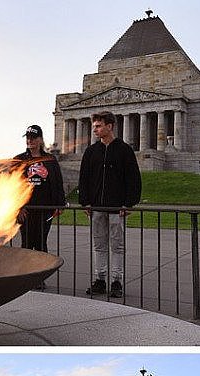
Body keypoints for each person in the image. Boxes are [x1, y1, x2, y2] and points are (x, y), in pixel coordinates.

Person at [79, 110, 142, 299]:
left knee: (117, 246)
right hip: (97, 206)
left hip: (116, 207)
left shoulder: (124, 150)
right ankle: (100, 279)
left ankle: (116, 281)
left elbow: (133, 179)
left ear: (110, 126)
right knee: (99, 245)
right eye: (94, 126)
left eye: (98, 126)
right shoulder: (91, 151)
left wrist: (128, 203)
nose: (95, 130)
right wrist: (86, 202)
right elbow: (84, 178)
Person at [13, 125, 66, 254]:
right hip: (26, 209)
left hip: (45, 209)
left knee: (41, 243)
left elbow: (58, 182)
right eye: (28, 138)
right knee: (26, 243)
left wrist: (60, 204)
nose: (30, 141)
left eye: (33, 138)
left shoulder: (50, 159)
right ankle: (26, 272)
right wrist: (17, 208)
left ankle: (41, 271)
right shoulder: (19, 159)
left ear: (40, 140)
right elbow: (12, 185)